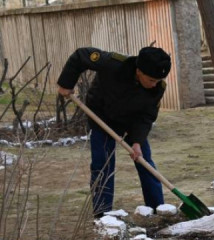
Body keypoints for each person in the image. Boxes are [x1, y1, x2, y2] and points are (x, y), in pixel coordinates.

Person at [56, 46, 171, 218]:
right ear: (139, 71)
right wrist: (66, 83)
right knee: (102, 164)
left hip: (131, 122)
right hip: (101, 117)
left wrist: (137, 142)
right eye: (151, 80)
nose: (154, 84)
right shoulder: (113, 64)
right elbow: (80, 56)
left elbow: (146, 117)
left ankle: (158, 209)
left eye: (158, 80)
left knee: (144, 161)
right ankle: (102, 214)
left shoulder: (158, 87)